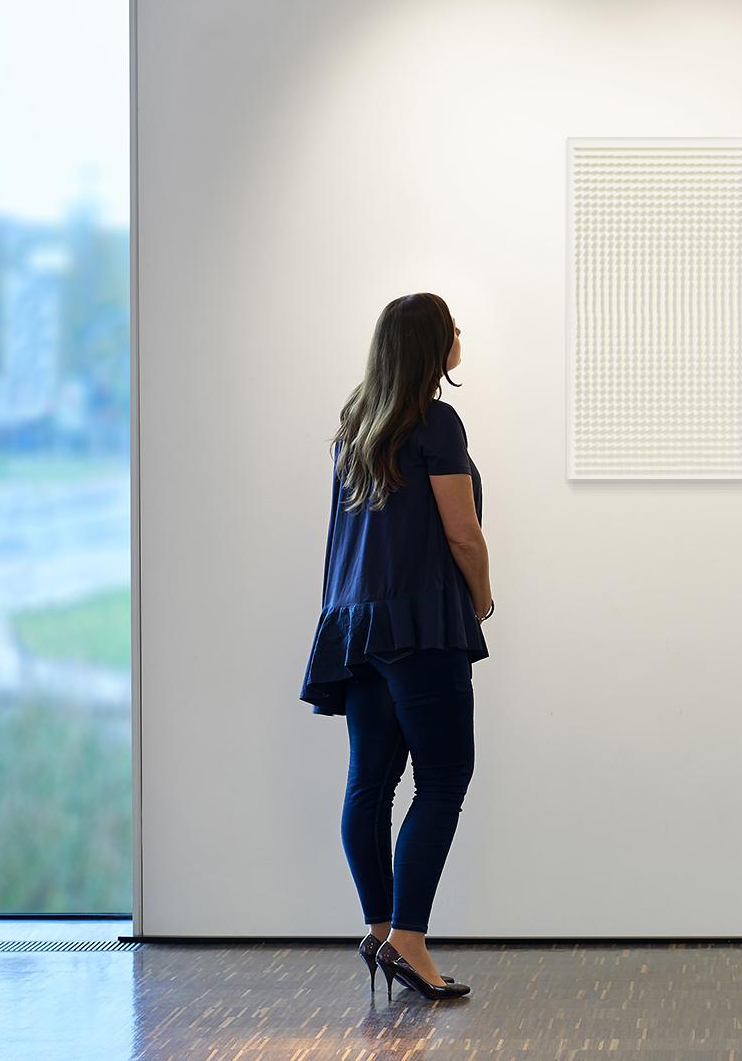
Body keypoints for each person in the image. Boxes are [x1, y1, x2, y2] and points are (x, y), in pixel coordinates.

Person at [299, 292, 494, 1001]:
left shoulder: (357, 424)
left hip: (356, 623)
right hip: (419, 620)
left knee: (370, 782)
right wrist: (482, 595)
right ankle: (409, 938)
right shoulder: (435, 422)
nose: (460, 335)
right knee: (443, 777)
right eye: (452, 327)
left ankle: (381, 929)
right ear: (431, 346)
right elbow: (462, 533)